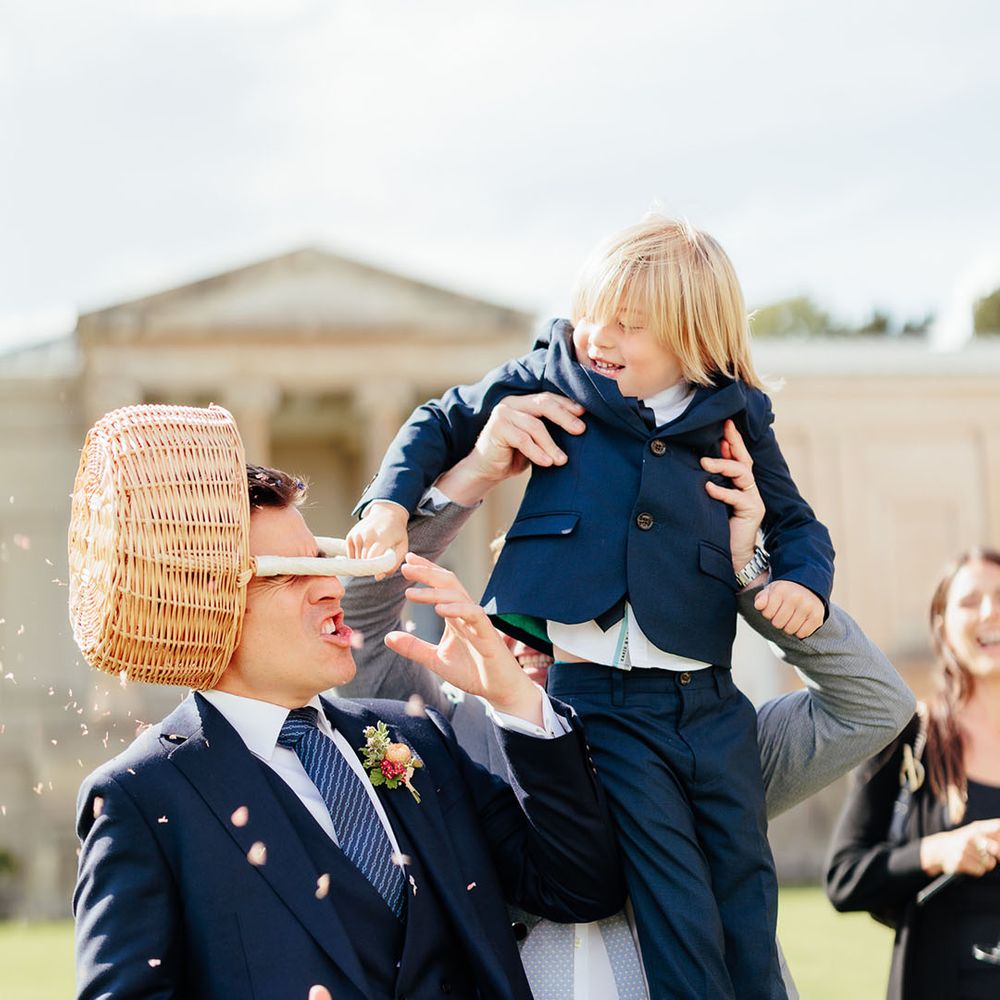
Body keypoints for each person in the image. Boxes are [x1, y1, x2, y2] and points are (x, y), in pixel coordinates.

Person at [346, 216, 835, 998]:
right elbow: (437, 420)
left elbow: (796, 520)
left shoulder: (738, 414)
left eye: (628, 325)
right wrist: (390, 503)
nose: (597, 336)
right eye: (589, 312)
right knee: (675, 894)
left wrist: (798, 581)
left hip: (710, 698)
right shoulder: (552, 373)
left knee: (746, 885)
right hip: (605, 703)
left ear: (693, 337)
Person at [340, 392, 914, 1000]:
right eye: (527, 605)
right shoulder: (448, 737)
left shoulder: (711, 735)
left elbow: (873, 704)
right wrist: (473, 472)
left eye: (586, 599)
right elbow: (362, 625)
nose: (546, 623)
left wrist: (751, 572)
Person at [72, 409, 626, 1000]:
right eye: (291, 574)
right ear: (210, 603)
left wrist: (514, 697)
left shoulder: (417, 738)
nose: (332, 585)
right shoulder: (141, 797)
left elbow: (581, 886)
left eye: (323, 561)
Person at [826, 548, 1000, 999]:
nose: (990, 611)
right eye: (970, 601)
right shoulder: (909, 735)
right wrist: (939, 851)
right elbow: (844, 877)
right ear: (941, 624)